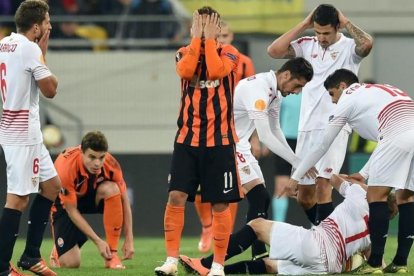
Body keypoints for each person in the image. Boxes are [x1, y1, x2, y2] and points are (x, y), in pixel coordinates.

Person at [179, 57, 314, 275]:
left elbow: (276, 130)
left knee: (261, 199)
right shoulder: (256, 88)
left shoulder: (275, 92)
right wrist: (299, 163)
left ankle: (255, 254)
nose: (297, 92)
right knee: (255, 200)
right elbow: (265, 136)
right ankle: (208, 264)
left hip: (239, 145)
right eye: (298, 86)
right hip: (225, 145)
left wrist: (297, 161)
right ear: (286, 75)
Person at [288, 69, 414, 274]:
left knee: (376, 196)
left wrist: (295, 177)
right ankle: (400, 263)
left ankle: (374, 263)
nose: (333, 100)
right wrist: (364, 174)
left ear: (342, 87)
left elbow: (322, 145)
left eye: (331, 94)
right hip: (407, 132)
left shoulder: (348, 98)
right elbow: (388, 136)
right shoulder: (382, 90)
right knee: (406, 197)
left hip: (396, 136)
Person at [154, 6, 243, 276]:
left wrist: (211, 41)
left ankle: (217, 266)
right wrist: (197, 40)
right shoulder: (183, 51)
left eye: (208, 25)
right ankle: (171, 261)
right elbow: (186, 71)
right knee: (176, 196)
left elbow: (215, 72)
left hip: (220, 141)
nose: (203, 29)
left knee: (219, 203)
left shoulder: (229, 52)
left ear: (216, 27)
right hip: (187, 139)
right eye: (199, 25)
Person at [267, 4, 373, 225]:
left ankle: (330, 250)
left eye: (326, 33)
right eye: (317, 32)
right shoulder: (307, 45)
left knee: (323, 184)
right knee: (304, 198)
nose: (321, 37)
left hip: (336, 125)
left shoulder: (349, 48)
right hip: (306, 127)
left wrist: (346, 23)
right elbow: (274, 51)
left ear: (337, 28)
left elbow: (367, 43)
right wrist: (304, 24)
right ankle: (332, 237)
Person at [181, 173, 398, 275]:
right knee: (270, 267)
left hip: (317, 245)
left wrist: (356, 178)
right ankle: (217, 273)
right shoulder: (376, 232)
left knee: (257, 225)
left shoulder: (360, 196)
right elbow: (374, 261)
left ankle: (208, 264)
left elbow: (335, 179)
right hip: (328, 267)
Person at [0, 1, 61, 276]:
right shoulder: (30, 48)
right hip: (22, 133)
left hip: (21, 131)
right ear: (36, 27)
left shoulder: (5, 43)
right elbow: (50, 90)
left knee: (52, 186)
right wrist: (42, 54)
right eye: (47, 22)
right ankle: (1, 267)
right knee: (17, 200)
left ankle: (31, 256)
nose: (50, 26)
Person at [193, 19, 256, 254]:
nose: (223, 40)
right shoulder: (202, 59)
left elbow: (253, 101)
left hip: (234, 131)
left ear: (232, 37)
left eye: (227, 36)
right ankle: (207, 226)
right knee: (200, 183)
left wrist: (255, 137)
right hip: (203, 128)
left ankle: (224, 231)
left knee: (230, 184)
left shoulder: (244, 63)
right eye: (219, 36)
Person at [49, 131, 134, 269]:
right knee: (71, 264)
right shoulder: (66, 167)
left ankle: (112, 256)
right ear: (81, 152)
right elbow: (71, 210)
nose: (97, 163)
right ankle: (59, 250)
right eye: (92, 157)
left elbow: (125, 202)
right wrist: (98, 241)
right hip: (65, 205)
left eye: (101, 157)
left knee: (112, 189)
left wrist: (129, 239)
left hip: (91, 197)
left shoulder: (111, 164)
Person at [271, 92, 301, 222]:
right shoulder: (285, 92)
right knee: (281, 186)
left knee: (314, 186)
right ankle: (278, 226)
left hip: (306, 141)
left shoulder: (316, 91)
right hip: (285, 141)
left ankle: (317, 230)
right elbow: (273, 117)